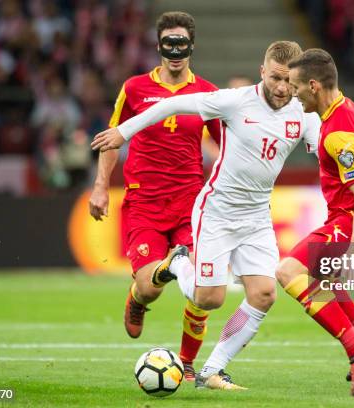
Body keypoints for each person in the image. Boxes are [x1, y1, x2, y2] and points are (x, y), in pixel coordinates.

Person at [92, 41, 321, 390]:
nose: (281, 87)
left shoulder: (303, 114)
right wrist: (124, 131)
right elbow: (171, 104)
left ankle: (211, 370)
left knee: (264, 294)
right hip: (216, 210)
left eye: (289, 80)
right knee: (208, 298)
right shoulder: (234, 100)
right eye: (275, 77)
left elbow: (328, 148)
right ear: (263, 72)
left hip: (257, 216)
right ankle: (177, 265)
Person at [88, 11, 221, 381]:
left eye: (181, 44)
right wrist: (101, 185)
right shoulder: (134, 89)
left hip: (190, 204)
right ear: (158, 46)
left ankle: (187, 363)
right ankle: (137, 298)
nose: (175, 51)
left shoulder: (208, 93)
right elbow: (114, 138)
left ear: (192, 45)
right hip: (144, 203)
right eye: (168, 44)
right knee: (150, 287)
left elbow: (225, 145)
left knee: (201, 287)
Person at [279, 48, 354, 396]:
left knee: (288, 272)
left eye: (296, 86)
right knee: (319, 276)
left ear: (313, 85)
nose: (293, 93)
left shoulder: (337, 132)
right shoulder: (345, 110)